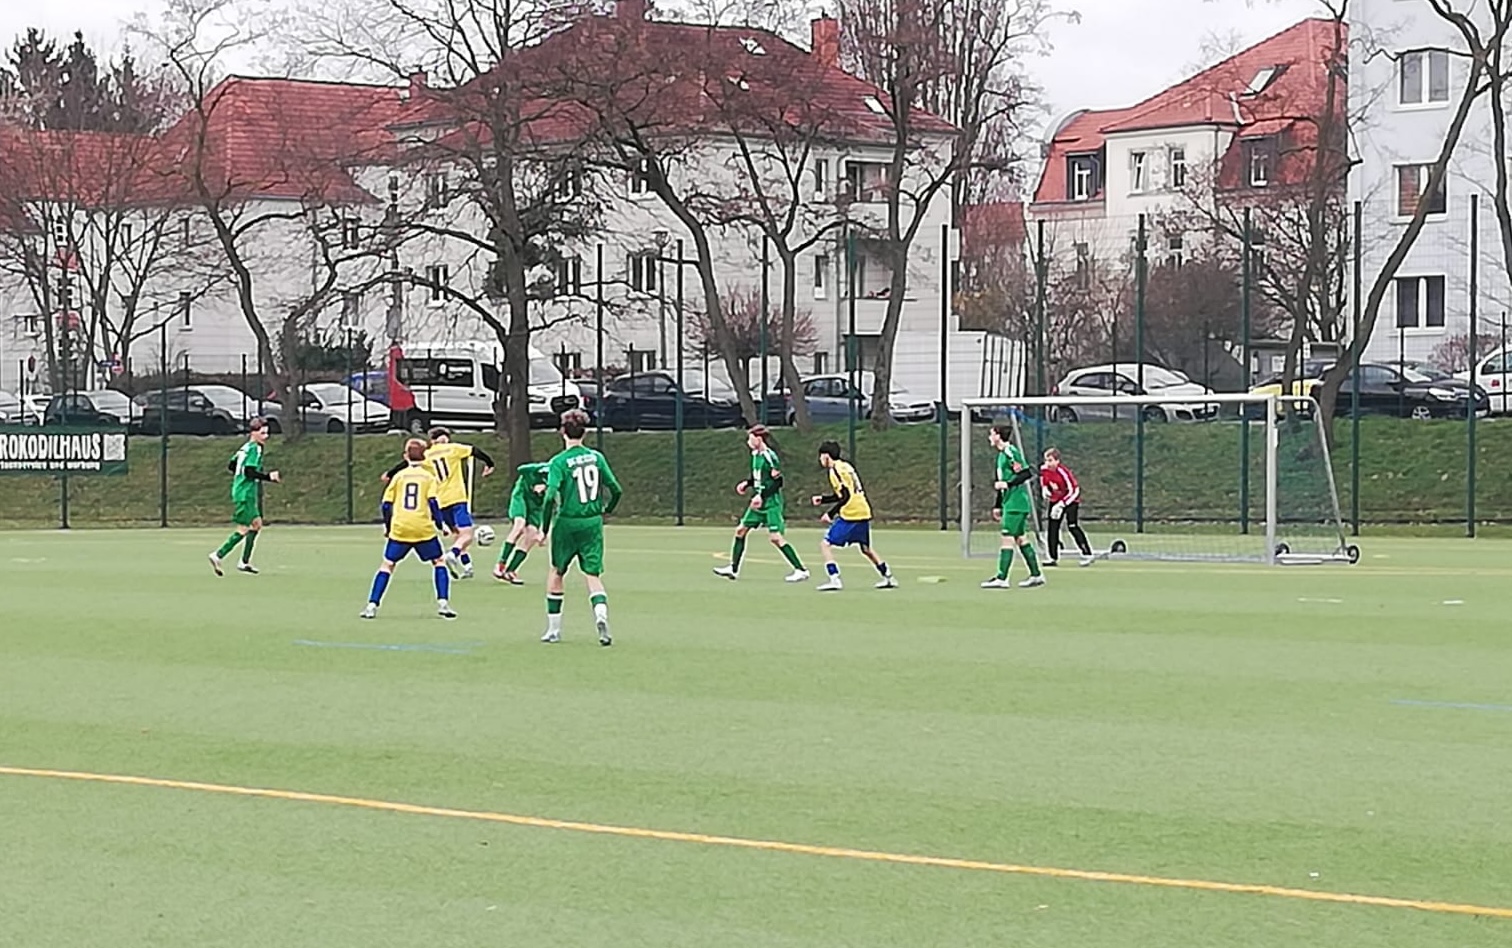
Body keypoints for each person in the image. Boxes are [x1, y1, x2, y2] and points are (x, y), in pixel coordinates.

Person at [540, 410, 623, 646]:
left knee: (557, 571)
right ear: (585, 432)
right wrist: (607, 510)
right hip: (592, 522)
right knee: (592, 574)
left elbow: (548, 497)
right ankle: (600, 615)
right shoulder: (596, 457)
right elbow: (616, 488)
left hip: (567, 522)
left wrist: (543, 529)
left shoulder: (558, 462)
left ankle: (553, 630)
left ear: (562, 432)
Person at [383, 428, 494, 580]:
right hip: (456, 498)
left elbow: (406, 463)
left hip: (440, 502)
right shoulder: (453, 449)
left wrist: (390, 473)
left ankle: (467, 566)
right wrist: (489, 464)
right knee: (467, 534)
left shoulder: (426, 454)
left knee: (457, 534)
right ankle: (453, 554)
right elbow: (475, 451)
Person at [362, 438, 455, 619]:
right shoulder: (429, 477)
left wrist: (388, 527)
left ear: (406, 456)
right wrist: (440, 524)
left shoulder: (398, 477)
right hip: (423, 528)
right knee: (438, 561)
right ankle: (443, 603)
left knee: (388, 565)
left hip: (401, 527)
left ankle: (371, 606)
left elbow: (386, 505)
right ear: (425, 456)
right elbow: (433, 502)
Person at [712, 424, 809, 583]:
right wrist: (748, 483)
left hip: (771, 503)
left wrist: (761, 496)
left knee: (776, 538)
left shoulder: (770, 456)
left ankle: (801, 570)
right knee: (740, 531)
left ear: (759, 438)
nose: (748, 441)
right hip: (759, 503)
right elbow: (759, 476)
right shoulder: (755, 454)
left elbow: (778, 482)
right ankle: (733, 569)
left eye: (750, 438)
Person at [810, 441, 896, 592]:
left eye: (821, 456)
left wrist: (830, 513)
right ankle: (888, 576)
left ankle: (834, 578)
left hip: (851, 514)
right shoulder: (846, 466)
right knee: (866, 548)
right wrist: (823, 499)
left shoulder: (835, 470)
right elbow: (844, 494)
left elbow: (846, 496)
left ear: (826, 456)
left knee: (825, 544)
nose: (820, 460)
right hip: (863, 510)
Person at [209, 418, 280, 576]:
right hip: (245, 493)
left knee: (256, 524)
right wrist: (269, 477)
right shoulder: (255, 448)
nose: (265, 436)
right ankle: (218, 554)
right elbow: (249, 471)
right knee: (243, 528)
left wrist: (240, 477)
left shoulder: (245, 447)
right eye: (262, 433)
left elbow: (231, 465)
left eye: (267, 433)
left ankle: (244, 562)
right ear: (253, 433)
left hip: (243, 490)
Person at [982, 425, 1045, 589]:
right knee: (1021, 539)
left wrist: (1008, 484)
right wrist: (998, 505)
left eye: (991, 434)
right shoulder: (1002, 456)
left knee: (1007, 538)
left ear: (998, 436)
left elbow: (1026, 473)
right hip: (1010, 503)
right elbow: (1003, 482)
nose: (989, 437)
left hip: (1016, 503)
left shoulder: (1010, 451)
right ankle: (1036, 575)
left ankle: (1002, 578)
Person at [494, 461, 550, 585]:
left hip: (536, 507)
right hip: (521, 498)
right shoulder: (536, 471)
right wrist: (538, 476)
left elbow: (550, 506)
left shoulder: (559, 481)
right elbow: (520, 468)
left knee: (532, 536)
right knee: (519, 526)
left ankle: (511, 571)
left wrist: (544, 532)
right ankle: (501, 564)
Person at [1040, 448, 1094, 567]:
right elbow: (1043, 479)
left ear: (1057, 461)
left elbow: (1074, 490)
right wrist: (1044, 489)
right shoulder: (1044, 469)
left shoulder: (1063, 472)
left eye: (1050, 460)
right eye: (1046, 460)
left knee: (1072, 526)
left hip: (1070, 500)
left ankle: (1087, 554)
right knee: (1052, 527)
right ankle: (1052, 556)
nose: (1048, 463)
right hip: (1055, 500)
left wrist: (1062, 504)